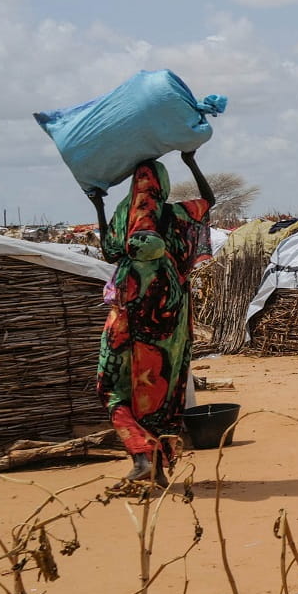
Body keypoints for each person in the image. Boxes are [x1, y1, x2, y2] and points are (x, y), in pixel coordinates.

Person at [90, 152, 215, 490]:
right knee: (162, 392)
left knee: (111, 386)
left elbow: (110, 251)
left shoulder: (124, 216)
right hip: (171, 323)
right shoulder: (176, 215)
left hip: (129, 317)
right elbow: (210, 200)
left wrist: (99, 205)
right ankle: (156, 468)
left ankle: (143, 456)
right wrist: (190, 161)